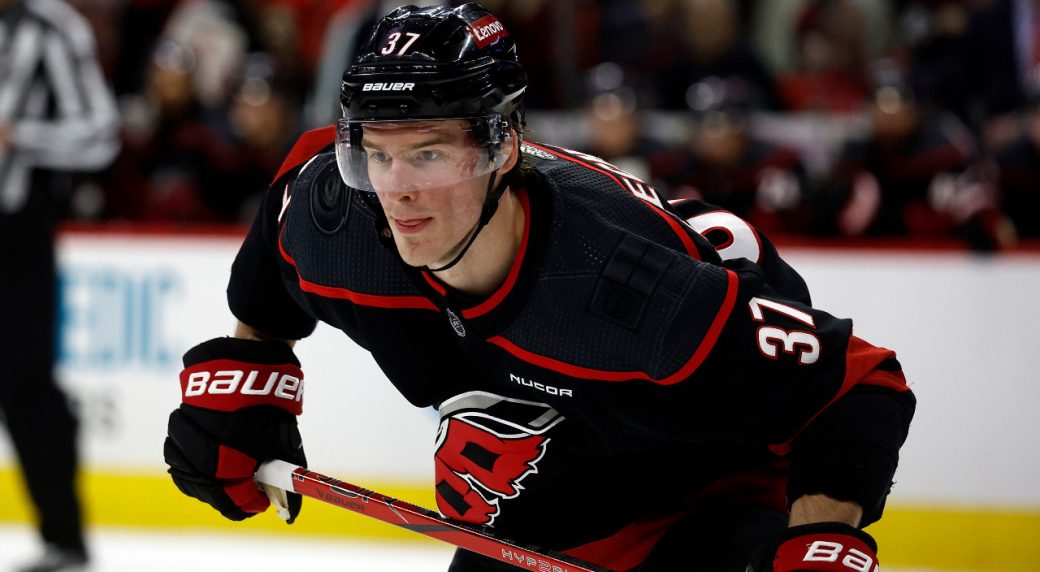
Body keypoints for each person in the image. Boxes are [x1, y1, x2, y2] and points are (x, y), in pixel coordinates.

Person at [162, 4, 916, 571]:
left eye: (429, 154)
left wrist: (823, 542)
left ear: (502, 147)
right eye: (377, 156)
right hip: (540, 527)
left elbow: (856, 384)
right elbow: (289, 216)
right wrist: (252, 375)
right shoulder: (341, 221)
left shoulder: (622, 286)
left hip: (702, 503)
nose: (398, 192)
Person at [0, 0, 120, 570]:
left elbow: (101, 132)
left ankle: (64, 537)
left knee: (25, 384)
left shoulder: (51, 27)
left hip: (15, 235)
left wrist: (18, 136)